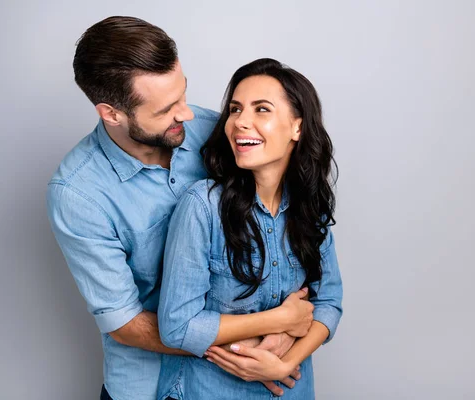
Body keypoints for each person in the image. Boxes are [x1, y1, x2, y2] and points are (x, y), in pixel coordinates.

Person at [46, 17, 311, 400]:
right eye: (166, 109)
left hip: (241, 385)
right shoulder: (77, 194)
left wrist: (287, 332)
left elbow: (285, 228)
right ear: (112, 114)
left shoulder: (220, 133)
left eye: (183, 94)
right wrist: (249, 348)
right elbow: (124, 323)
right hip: (147, 387)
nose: (187, 114)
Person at [157, 58, 343, 399]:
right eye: (235, 109)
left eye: (262, 110)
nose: (241, 122)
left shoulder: (309, 207)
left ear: (297, 128)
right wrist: (282, 320)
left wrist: (285, 364)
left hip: (291, 389)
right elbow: (178, 327)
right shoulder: (202, 206)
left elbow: (329, 302)